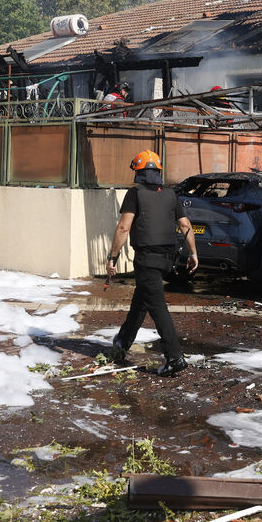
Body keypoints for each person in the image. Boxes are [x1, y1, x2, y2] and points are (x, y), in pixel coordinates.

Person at [106, 150, 199, 376]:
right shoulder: (170, 194)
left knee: (158, 308)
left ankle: (175, 357)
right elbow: (186, 225)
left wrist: (112, 257)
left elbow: (123, 228)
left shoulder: (134, 194)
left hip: (147, 259)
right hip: (167, 260)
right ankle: (123, 342)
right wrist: (193, 253)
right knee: (143, 298)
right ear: (158, 171)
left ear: (137, 172)